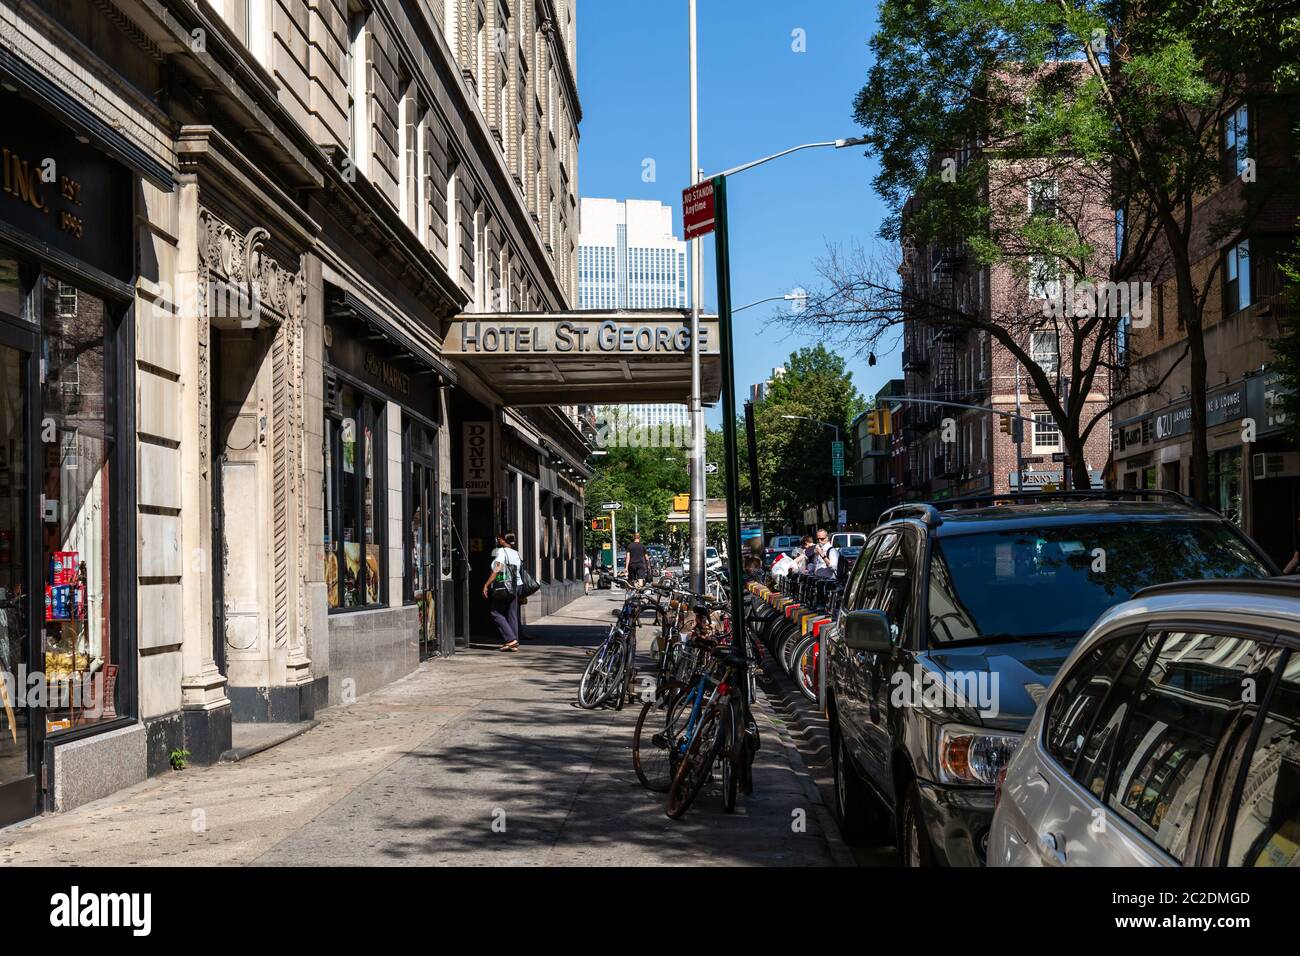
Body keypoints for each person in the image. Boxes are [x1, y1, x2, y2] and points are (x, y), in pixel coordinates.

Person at [482, 531, 522, 652]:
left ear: (504, 540)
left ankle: (510, 639)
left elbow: (498, 568)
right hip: (516, 585)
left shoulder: (501, 551)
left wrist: (486, 585)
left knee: (495, 612)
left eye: (500, 538)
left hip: (504, 586)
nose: (498, 540)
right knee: (512, 613)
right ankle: (514, 642)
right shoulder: (516, 553)